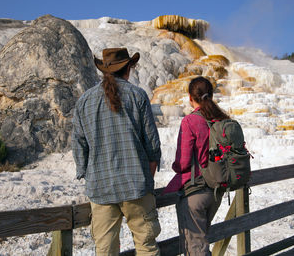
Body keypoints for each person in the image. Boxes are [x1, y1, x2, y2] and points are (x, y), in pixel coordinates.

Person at [72, 48, 162, 256]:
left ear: (104, 70)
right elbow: (153, 147)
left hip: (101, 189)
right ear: (128, 68)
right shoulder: (138, 96)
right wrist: (146, 180)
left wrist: (89, 174)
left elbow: (79, 145)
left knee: (105, 251)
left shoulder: (85, 100)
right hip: (136, 186)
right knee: (147, 247)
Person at [164, 76, 229, 255]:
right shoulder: (221, 120)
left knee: (196, 248)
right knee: (201, 242)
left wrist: (175, 166)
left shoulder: (190, 121)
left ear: (190, 97)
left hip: (195, 191)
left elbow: (184, 162)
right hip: (216, 190)